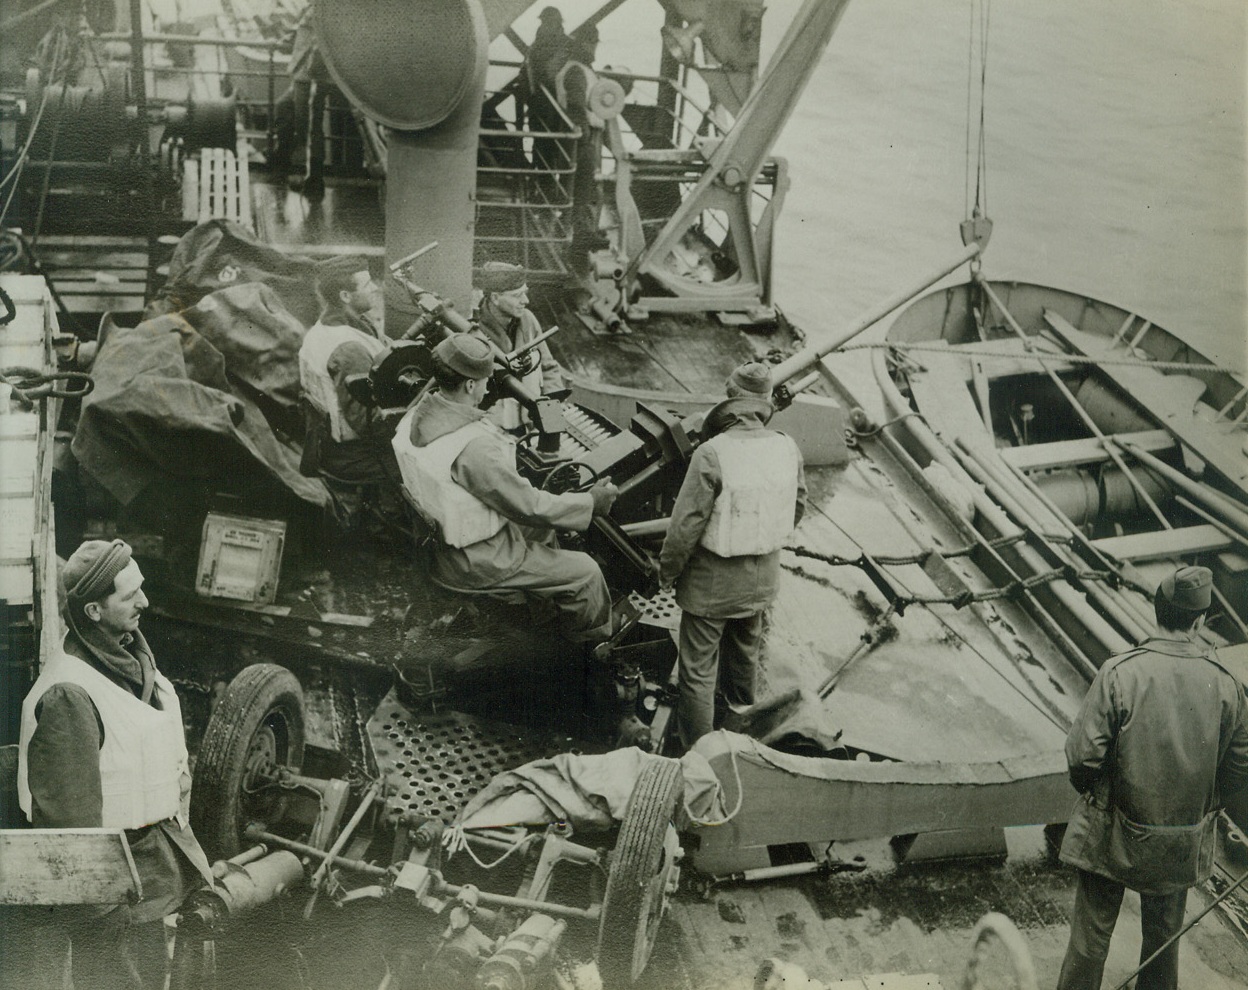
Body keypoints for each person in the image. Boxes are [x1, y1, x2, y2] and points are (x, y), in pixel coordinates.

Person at [16, 539, 214, 989]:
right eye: (130, 595)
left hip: (152, 877)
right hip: (113, 902)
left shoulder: (127, 657)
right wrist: (105, 930)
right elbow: (70, 829)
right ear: (93, 612)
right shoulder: (69, 695)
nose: (145, 602)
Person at [1056, 564, 1248, 990]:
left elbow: (1082, 758)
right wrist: (1200, 807)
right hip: (1180, 842)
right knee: (1163, 944)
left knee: (1089, 944)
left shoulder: (1120, 672)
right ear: (1199, 622)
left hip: (1111, 834)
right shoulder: (1228, 684)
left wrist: (1102, 795)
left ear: (1157, 613)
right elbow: (1238, 770)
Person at [392, 334, 617, 642]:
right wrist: (591, 502)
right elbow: (530, 506)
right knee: (586, 574)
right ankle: (587, 651)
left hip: (439, 549)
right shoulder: (473, 448)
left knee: (544, 531)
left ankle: (541, 607)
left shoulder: (412, 418)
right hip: (476, 561)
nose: (489, 386)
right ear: (470, 385)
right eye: (486, 380)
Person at [658, 362, 806, 750]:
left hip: (711, 586)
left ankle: (700, 753)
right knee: (744, 660)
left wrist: (667, 571)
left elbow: (684, 527)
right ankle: (739, 738)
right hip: (761, 582)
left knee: (698, 672)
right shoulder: (787, 446)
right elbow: (798, 505)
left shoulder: (711, 453)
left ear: (730, 403)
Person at [299, 256, 398, 505]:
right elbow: (370, 422)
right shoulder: (348, 348)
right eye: (367, 285)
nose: (375, 288)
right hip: (355, 457)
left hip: (328, 448)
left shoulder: (322, 329)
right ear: (345, 296)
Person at [473, 260, 565, 430]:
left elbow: (548, 367)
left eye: (525, 293)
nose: (526, 300)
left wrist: (553, 409)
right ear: (495, 298)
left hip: (530, 422)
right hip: (494, 427)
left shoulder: (528, 320)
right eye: (517, 295)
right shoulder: (474, 330)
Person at [555, 25, 605, 267]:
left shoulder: (575, 69)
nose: (595, 48)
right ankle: (580, 239)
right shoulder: (576, 71)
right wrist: (585, 136)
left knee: (578, 189)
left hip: (575, 137)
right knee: (582, 190)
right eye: (592, 43)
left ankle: (579, 234)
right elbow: (575, 103)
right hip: (581, 138)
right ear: (584, 44)